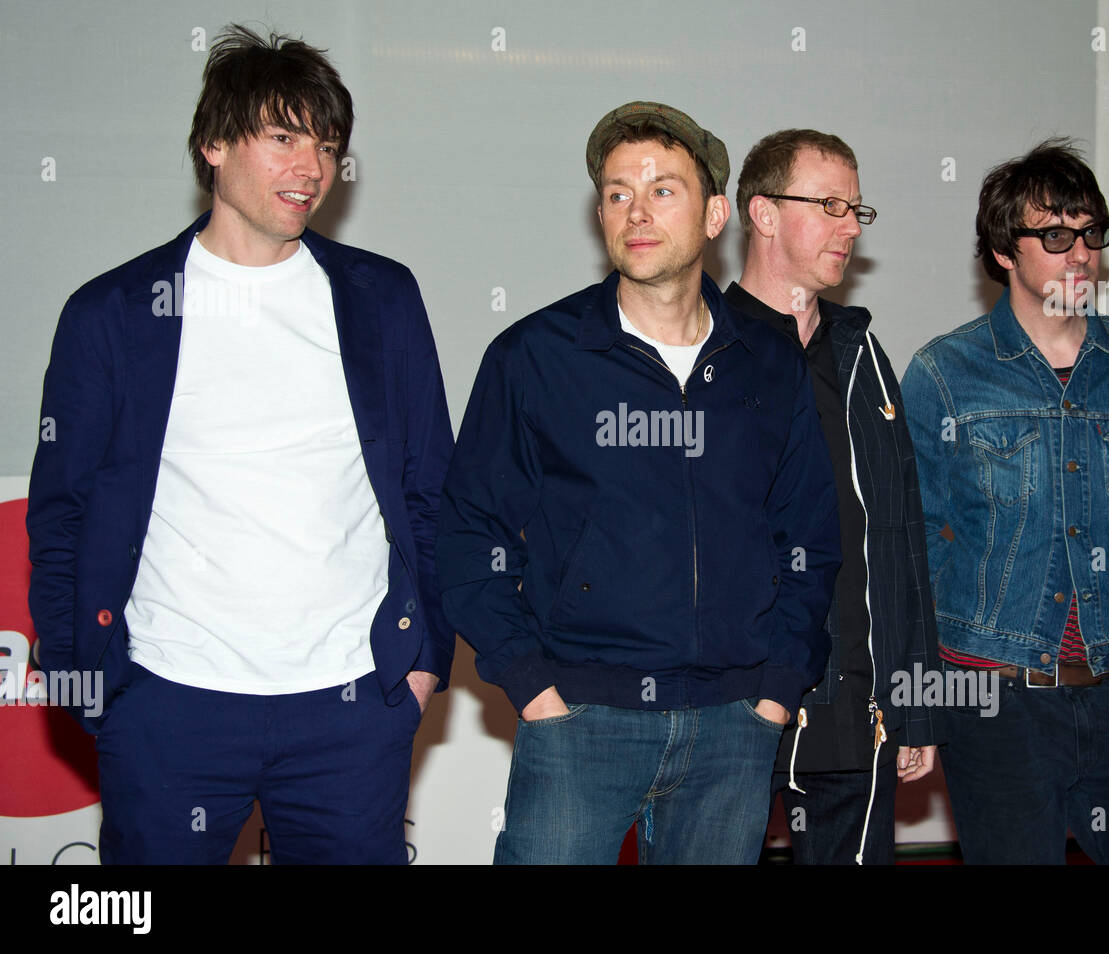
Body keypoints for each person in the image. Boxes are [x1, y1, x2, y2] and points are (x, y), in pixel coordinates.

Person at [26, 25, 456, 864]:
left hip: (351, 706)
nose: (312, 168)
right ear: (214, 144)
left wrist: (422, 661)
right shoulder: (113, 314)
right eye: (284, 137)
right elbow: (63, 515)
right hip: (168, 708)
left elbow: (430, 490)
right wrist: (94, 687)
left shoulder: (381, 300)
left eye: (327, 146)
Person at [436, 102, 840, 864]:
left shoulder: (769, 362)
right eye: (618, 193)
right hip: (580, 720)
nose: (636, 211)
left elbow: (809, 539)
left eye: (663, 190)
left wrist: (776, 691)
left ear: (716, 213)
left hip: (734, 724)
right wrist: (534, 688)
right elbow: (468, 535)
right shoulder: (536, 357)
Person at [900, 139, 1109, 864]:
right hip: (991, 700)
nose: (1079, 254)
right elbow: (910, 551)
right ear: (1002, 253)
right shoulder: (944, 373)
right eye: (1055, 236)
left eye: (1091, 233)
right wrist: (914, 698)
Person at [725, 130, 942, 865]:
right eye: (829, 204)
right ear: (762, 214)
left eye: (856, 209)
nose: (851, 225)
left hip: (857, 708)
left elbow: (903, 535)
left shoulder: (862, 353)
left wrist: (914, 699)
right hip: (735, 709)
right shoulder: (705, 350)